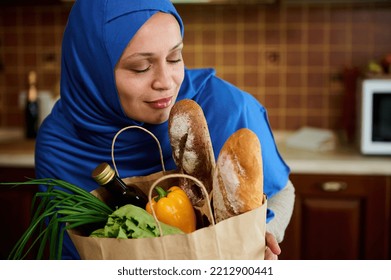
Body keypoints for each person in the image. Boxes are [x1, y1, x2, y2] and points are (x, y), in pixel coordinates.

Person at [35, 0, 295, 260]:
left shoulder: (226, 108)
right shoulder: (58, 144)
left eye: (174, 58)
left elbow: (281, 191)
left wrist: (263, 235)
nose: (166, 82)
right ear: (92, 71)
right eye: (141, 67)